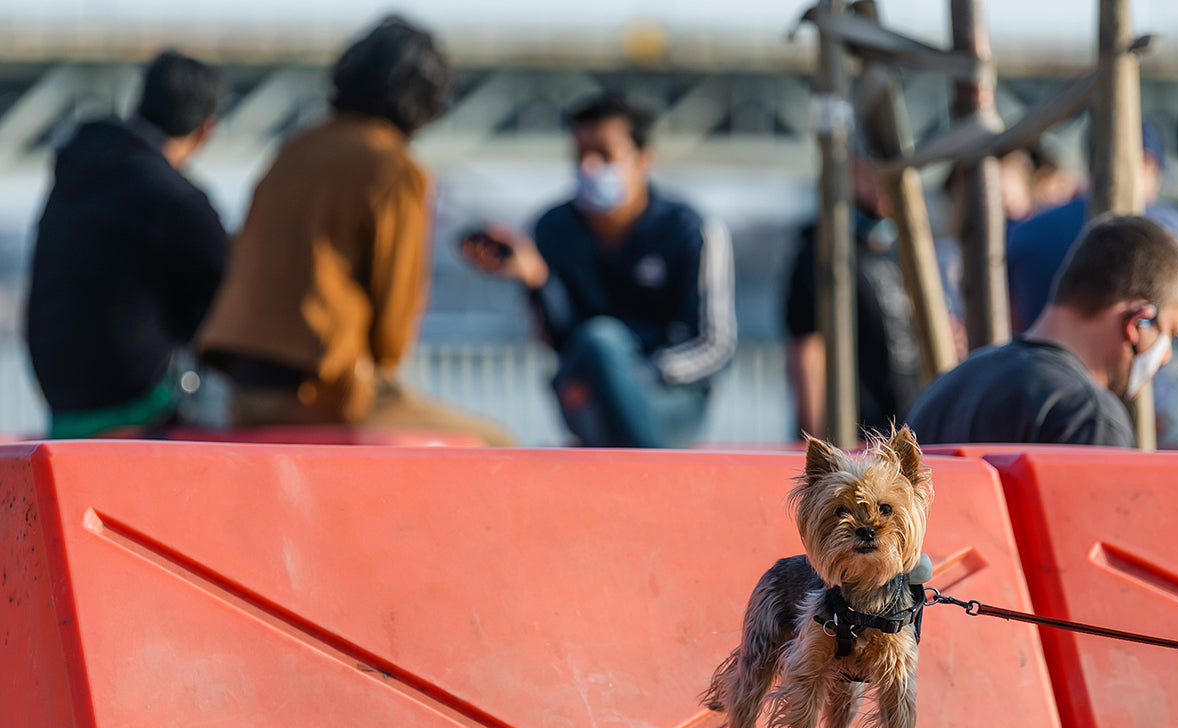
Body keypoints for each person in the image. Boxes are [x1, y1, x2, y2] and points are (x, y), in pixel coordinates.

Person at [197, 16, 510, 443]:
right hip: (323, 392)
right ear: (426, 96)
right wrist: (382, 371)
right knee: (496, 444)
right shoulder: (394, 168)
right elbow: (394, 313)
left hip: (242, 391)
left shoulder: (295, 147)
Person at [461, 92, 736, 448]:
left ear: (644, 160)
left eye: (604, 155)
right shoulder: (552, 229)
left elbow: (716, 346)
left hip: (672, 397)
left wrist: (637, 375)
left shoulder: (691, 230)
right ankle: (651, 471)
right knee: (597, 344)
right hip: (587, 394)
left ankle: (643, 464)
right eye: (581, 155)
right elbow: (558, 342)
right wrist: (537, 279)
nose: (589, 167)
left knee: (603, 341)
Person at [25, 50, 226, 438]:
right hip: (136, 409)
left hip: (62, 409)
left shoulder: (78, 169)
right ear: (206, 131)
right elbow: (231, 294)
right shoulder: (176, 199)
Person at [1005, 124, 1178, 448]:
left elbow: (1012, 321)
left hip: (1023, 399)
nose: (1165, 354)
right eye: (1169, 333)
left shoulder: (1030, 229)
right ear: (1146, 162)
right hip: (1149, 419)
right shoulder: (1170, 227)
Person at [904, 214, 1178, 447]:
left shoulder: (948, 387)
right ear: (1138, 322)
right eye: (1171, 332)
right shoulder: (1089, 417)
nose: (1166, 356)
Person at [784, 156, 924, 438]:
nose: (883, 183)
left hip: (908, 426)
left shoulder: (898, 250)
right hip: (856, 434)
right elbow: (808, 349)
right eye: (872, 173)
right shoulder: (821, 252)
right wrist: (814, 438)